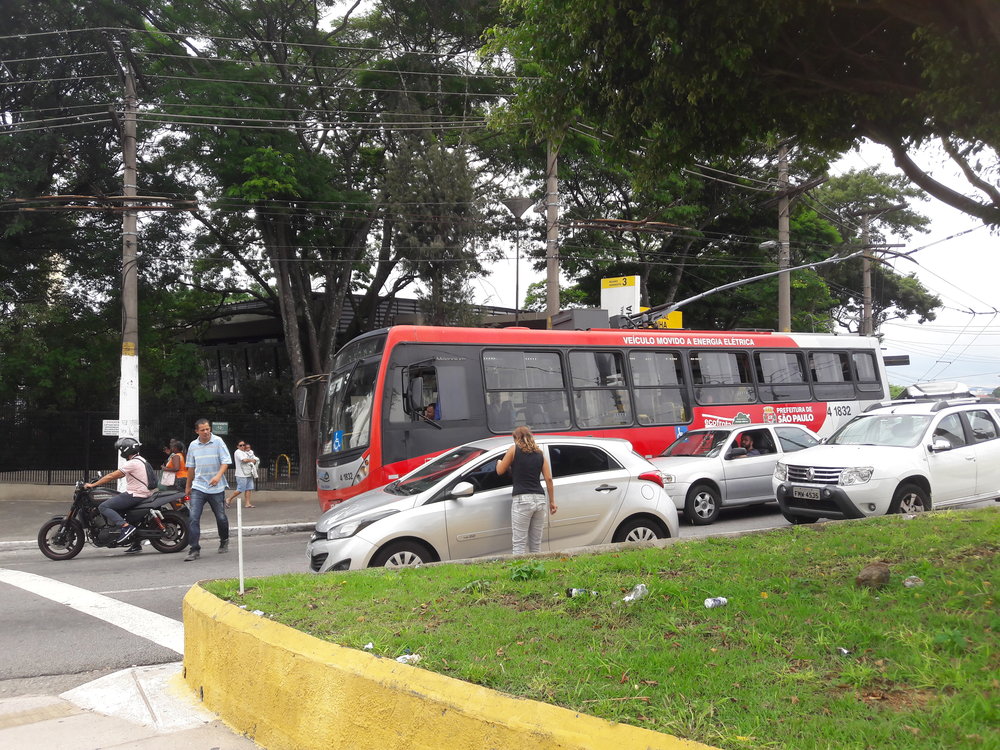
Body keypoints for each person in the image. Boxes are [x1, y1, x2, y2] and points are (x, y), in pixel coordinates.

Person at [496, 426, 557, 555]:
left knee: (519, 544)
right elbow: (549, 479)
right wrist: (552, 502)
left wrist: (498, 462)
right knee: (536, 545)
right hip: (540, 499)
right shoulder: (540, 454)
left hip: (522, 500)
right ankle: (536, 572)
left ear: (516, 438)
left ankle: (520, 574)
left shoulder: (513, 450)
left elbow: (500, 471)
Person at [84, 437, 154, 549]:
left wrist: (93, 485)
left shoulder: (132, 463)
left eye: (121, 450)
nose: (121, 452)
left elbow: (112, 476)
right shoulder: (141, 460)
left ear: (127, 450)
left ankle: (126, 527)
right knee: (123, 510)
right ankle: (135, 543)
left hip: (136, 494)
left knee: (104, 506)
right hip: (143, 493)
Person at [184, 418, 232, 561]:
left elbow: (226, 461)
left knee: (221, 517)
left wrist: (218, 476)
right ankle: (194, 549)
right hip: (198, 486)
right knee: (193, 517)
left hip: (216, 487)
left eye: (207, 429)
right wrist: (188, 486)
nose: (206, 432)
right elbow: (191, 468)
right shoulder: (193, 445)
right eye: (202, 430)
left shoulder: (218, 442)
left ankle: (224, 540)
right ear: (197, 431)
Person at [227, 440, 260, 509]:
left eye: (243, 445)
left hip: (248, 473)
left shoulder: (245, 452)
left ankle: (247, 503)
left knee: (249, 488)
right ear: (237, 446)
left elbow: (252, 458)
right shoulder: (238, 452)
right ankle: (229, 499)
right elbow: (244, 460)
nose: (242, 446)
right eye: (240, 445)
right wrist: (252, 460)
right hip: (241, 474)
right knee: (240, 489)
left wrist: (252, 459)